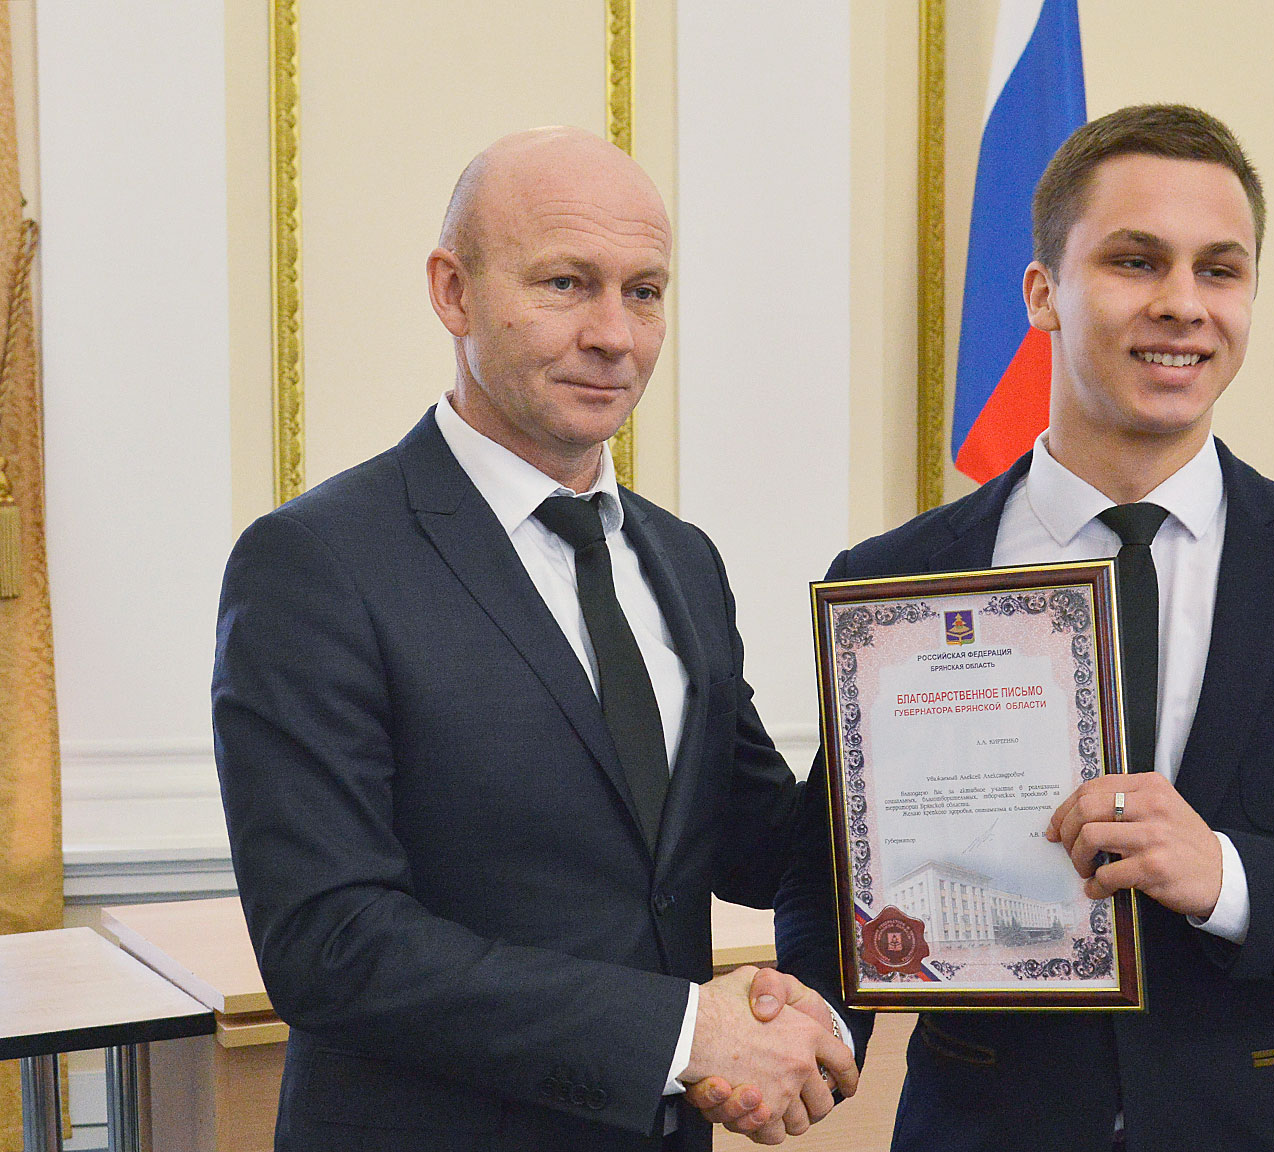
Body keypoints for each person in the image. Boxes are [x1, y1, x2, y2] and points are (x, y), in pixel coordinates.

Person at [769, 105, 1274, 1151]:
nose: (1182, 304)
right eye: (1136, 261)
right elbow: (832, 882)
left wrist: (1228, 878)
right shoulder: (898, 580)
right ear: (1042, 292)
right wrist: (818, 1030)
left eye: (1220, 270)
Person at [213, 127, 854, 1152]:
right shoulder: (316, 562)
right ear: (452, 291)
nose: (614, 335)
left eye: (644, 292)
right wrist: (683, 1034)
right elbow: (329, 943)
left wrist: (914, 720)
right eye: (566, 283)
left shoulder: (682, 560)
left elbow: (750, 843)